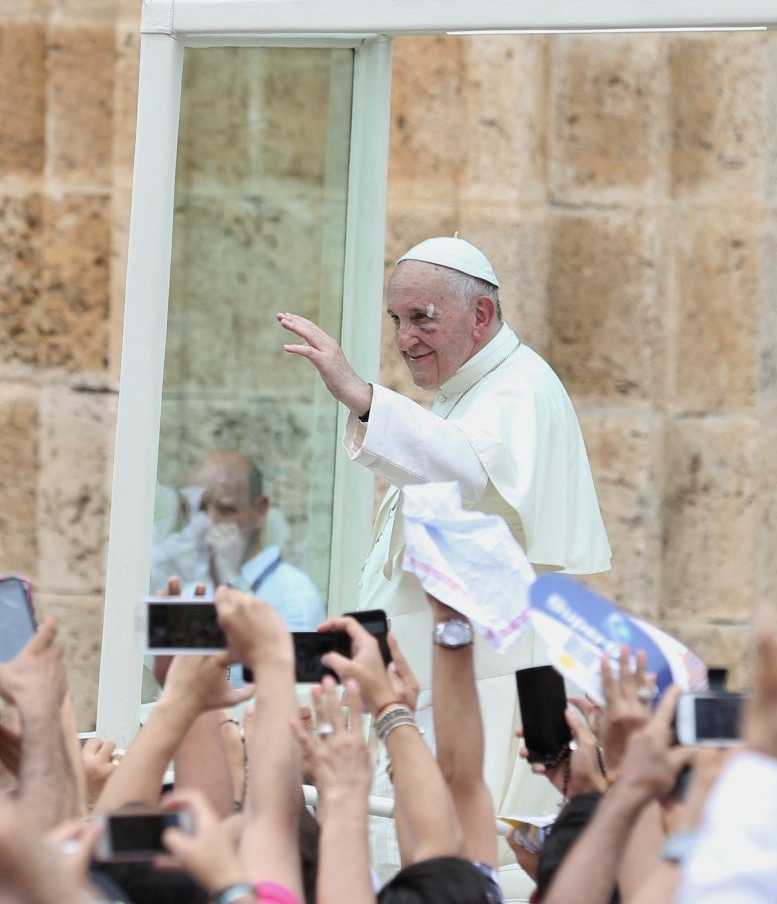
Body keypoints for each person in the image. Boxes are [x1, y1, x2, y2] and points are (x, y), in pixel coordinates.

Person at [278, 236, 610, 841]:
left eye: (422, 319)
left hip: (482, 681)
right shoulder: (469, 392)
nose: (405, 339)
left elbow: (467, 470)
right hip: (439, 677)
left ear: (480, 317)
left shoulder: (521, 387)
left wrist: (361, 395)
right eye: (397, 321)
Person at [154, 450, 325, 631]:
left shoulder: (293, 595)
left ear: (260, 510)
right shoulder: (193, 595)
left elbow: (279, 658)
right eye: (199, 509)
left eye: (226, 510)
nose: (209, 524)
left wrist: (232, 577)